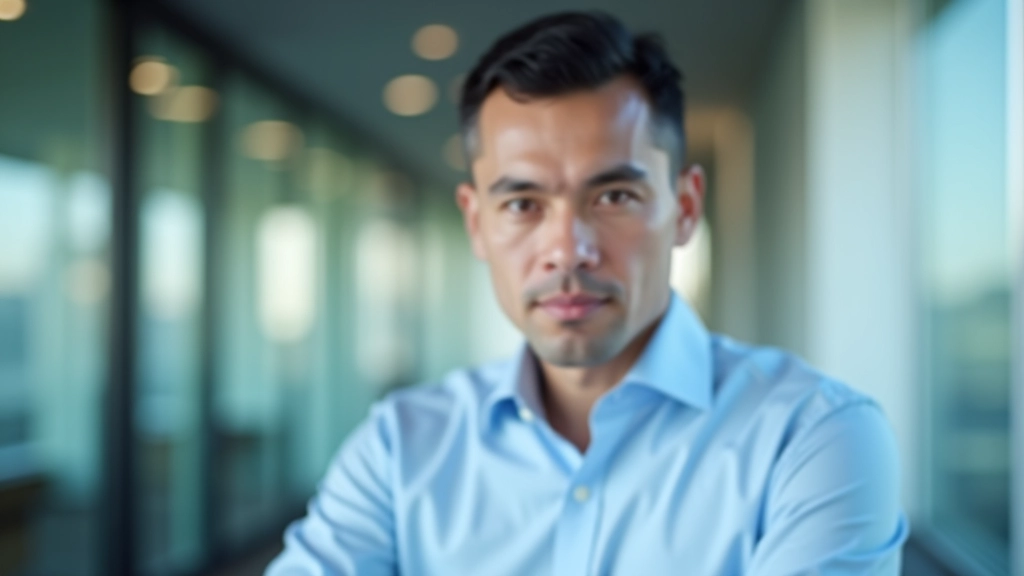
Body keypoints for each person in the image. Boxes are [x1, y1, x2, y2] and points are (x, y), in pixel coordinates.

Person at [266, 11, 908, 575]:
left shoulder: (812, 439)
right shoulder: (399, 448)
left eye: (613, 197)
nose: (568, 248)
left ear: (685, 208)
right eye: (522, 202)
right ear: (475, 223)